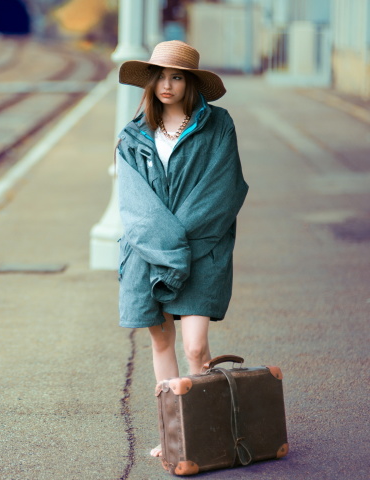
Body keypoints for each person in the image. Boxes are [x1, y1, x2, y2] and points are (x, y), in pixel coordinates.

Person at [115, 40, 249, 457]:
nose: (167, 85)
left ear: (190, 82)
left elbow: (221, 193)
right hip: (146, 255)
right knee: (160, 343)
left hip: (202, 250)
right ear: (150, 82)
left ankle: (205, 429)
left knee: (195, 347)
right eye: (160, 76)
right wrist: (164, 247)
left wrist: (178, 246)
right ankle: (174, 434)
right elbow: (135, 206)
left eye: (176, 77)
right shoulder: (132, 135)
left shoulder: (218, 126)